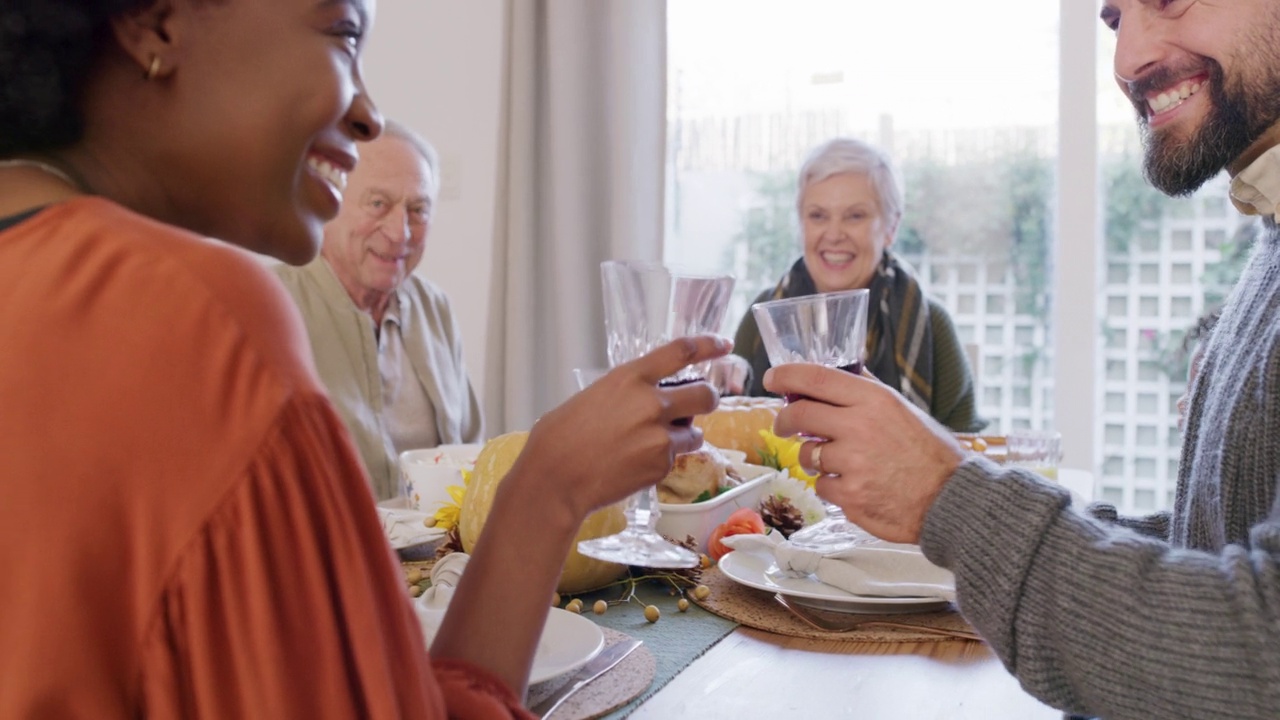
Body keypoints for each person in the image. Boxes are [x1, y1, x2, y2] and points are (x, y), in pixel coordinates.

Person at [0, 1, 726, 717]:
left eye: (419, 210)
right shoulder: (202, 319)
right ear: (156, 20)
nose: (368, 112)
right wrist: (549, 486)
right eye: (343, 32)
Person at [763, 1, 1280, 718]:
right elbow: (1216, 551)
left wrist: (951, 496)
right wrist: (958, 501)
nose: (1127, 59)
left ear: (891, 227)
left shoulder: (928, 324)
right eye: (1113, 19)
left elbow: (1260, 656)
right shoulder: (1270, 246)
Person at [275, 123, 482, 501]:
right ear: (329, 202)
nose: (400, 232)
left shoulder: (434, 308)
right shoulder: (275, 306)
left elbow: (471, 455)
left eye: (418, 210)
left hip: (433, 556)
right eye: (377, 204)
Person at [731, 137, 984, 433]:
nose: (834, 234)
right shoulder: (762, 318)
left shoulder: (931, 325)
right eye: (818, 216)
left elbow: (964, 455)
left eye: (855, 216)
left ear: (891, 227)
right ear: (801, 224)